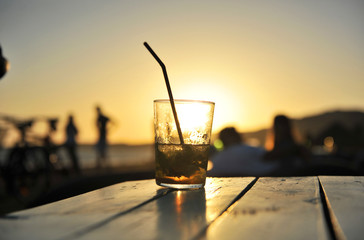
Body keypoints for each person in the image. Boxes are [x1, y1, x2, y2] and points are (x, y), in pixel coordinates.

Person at [208, 127, 278, 177]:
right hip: (266, 175)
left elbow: (213, 172)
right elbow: (269, 158)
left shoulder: (219, 158)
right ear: (237, 136)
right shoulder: (250, 149)